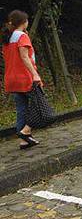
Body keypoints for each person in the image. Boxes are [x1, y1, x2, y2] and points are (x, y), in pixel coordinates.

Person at [1, 10, 42, 149]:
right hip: (25, 77)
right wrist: (35, 74)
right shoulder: (22, 36)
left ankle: (25, 140)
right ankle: (26, 131)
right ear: (24, 22)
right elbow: (25, 57)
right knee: (39, 105)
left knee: (21, 109)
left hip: (11, 77)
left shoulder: (7, 37)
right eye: (27, 21)